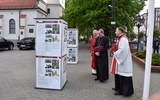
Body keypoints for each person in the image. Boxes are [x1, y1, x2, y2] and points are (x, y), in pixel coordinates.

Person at [110, 27, 134, 96]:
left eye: (116, 31)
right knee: (119, 75)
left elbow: (123, 50)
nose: (115, 32)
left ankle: (124, 91)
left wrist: (115, 52)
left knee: (123, 76)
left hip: (124, 62)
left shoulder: (123, 39)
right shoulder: (120, 38)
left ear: (120, 31)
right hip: (120, 61)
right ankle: (118, 88)